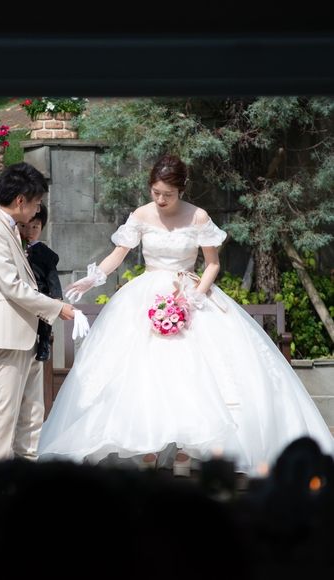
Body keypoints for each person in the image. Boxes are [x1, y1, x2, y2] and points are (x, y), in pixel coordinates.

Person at [37, 154, 334, 476]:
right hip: (146, 295)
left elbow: (213, 264)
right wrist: (93, 278)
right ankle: (148, 445)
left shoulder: (198, 217)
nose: (161, 200)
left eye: (168, 194)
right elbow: (118, 254)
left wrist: (193, 297)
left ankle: (186, 450)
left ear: (182, 189)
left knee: (196, 372)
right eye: (156, 192)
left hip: (189, 293)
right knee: (145, 371)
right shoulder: (141, 214)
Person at [0, 162, 74, 461]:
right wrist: (56, 307)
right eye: (36, 203)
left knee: (32, 411)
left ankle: (27, 469)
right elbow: (11, 286)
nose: (37, 210)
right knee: (5, 413)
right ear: (20, 201)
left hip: (25, 332)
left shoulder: (9, 228)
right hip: (6, 335)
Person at [18, 203, 63, 361]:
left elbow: (52, 275)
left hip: (41, 291)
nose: (29, 232)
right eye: (24, 226)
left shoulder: (44, 252)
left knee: (44, 318)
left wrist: (57, 297)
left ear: (42, 228)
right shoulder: (14, 247)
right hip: (21, 292)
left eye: (35, 227)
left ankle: (44, 343)